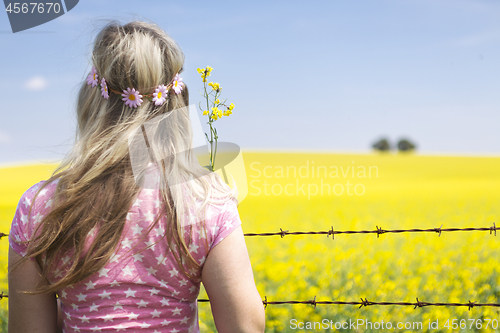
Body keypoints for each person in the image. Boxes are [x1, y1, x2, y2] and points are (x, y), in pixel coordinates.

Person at [8, 20, 265, 333]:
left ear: (91, 99)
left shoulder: (41, 207)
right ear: (176, 104)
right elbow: (244, 327)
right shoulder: (203, 202)